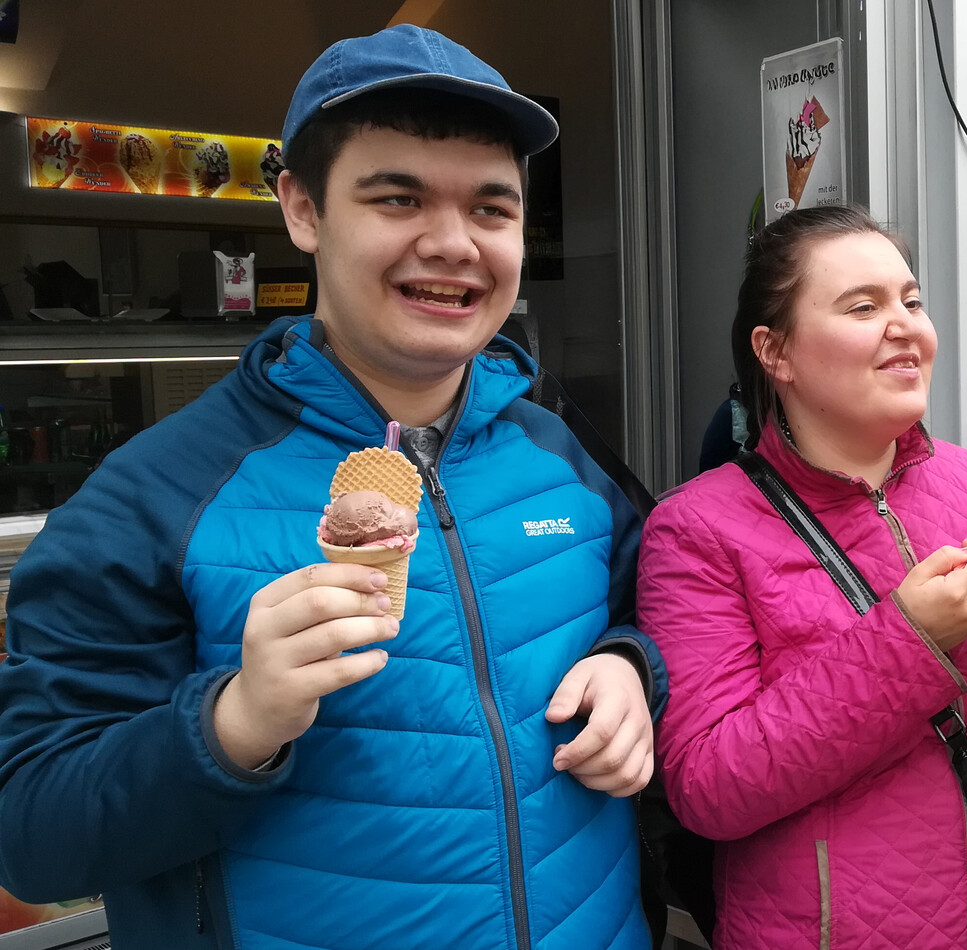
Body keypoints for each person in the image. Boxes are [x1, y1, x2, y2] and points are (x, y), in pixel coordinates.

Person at [0, 26, 668, 950]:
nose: (453, 244)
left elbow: (654, 619)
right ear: (303, 210)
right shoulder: (153, 499)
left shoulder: (557, 452)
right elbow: (32, 835)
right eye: (397, 198)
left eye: (491, 207)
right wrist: (235, 724)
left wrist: (633, 667)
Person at [638, 205, 967, 949]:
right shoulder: (696, 529)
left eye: (911, 301)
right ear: (775, 352)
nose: (904, 326)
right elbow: (707, 788)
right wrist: (910, 640)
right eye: (863, 307)